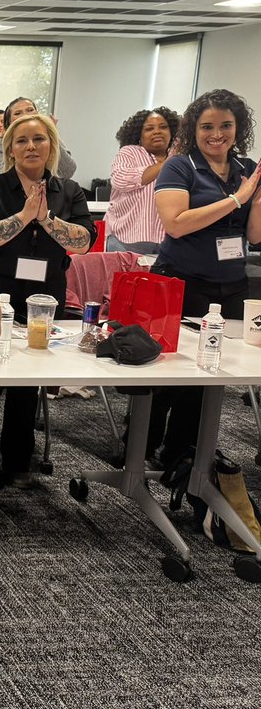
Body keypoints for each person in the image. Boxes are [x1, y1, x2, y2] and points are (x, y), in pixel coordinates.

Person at [0, 113, 95, 488]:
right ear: (10, 149)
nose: (31, 146)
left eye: (39, 139)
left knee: (29, 380)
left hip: (45, 298)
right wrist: (24, 217)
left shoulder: (69, 191)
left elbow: (85, 241)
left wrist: (49, 220)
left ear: (51, 146)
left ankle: (19, 460)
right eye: (21, 140)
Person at [148, 90, 260, 463]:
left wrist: (256, 199)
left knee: (210, 374)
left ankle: (180, 451)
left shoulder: (247, 170)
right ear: (194, 129)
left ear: (237, 128)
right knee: (168, 373)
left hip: (230, 285)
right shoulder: (179, 167)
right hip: (181, 281)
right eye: (207, 126)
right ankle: (140, 447)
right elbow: (175, 225)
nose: (217, 134)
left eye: (225, 126)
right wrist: (237, 199)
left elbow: (255, 236)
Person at [104, 106, 180, 254]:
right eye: (149, 129)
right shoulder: (129, 152)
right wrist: (168, 162)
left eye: (163, 127)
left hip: (167, 242)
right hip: (125, 241)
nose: (157, 131)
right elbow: (121, 180)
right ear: (139, 135)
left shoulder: (181, 157)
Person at [0, 97, 77, 178]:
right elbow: (2, 177)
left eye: (30, 110)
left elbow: (68, 172)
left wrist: (51, 135)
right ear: (8, 122)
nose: (26, 115)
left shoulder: (49, 138)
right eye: (18, 113)